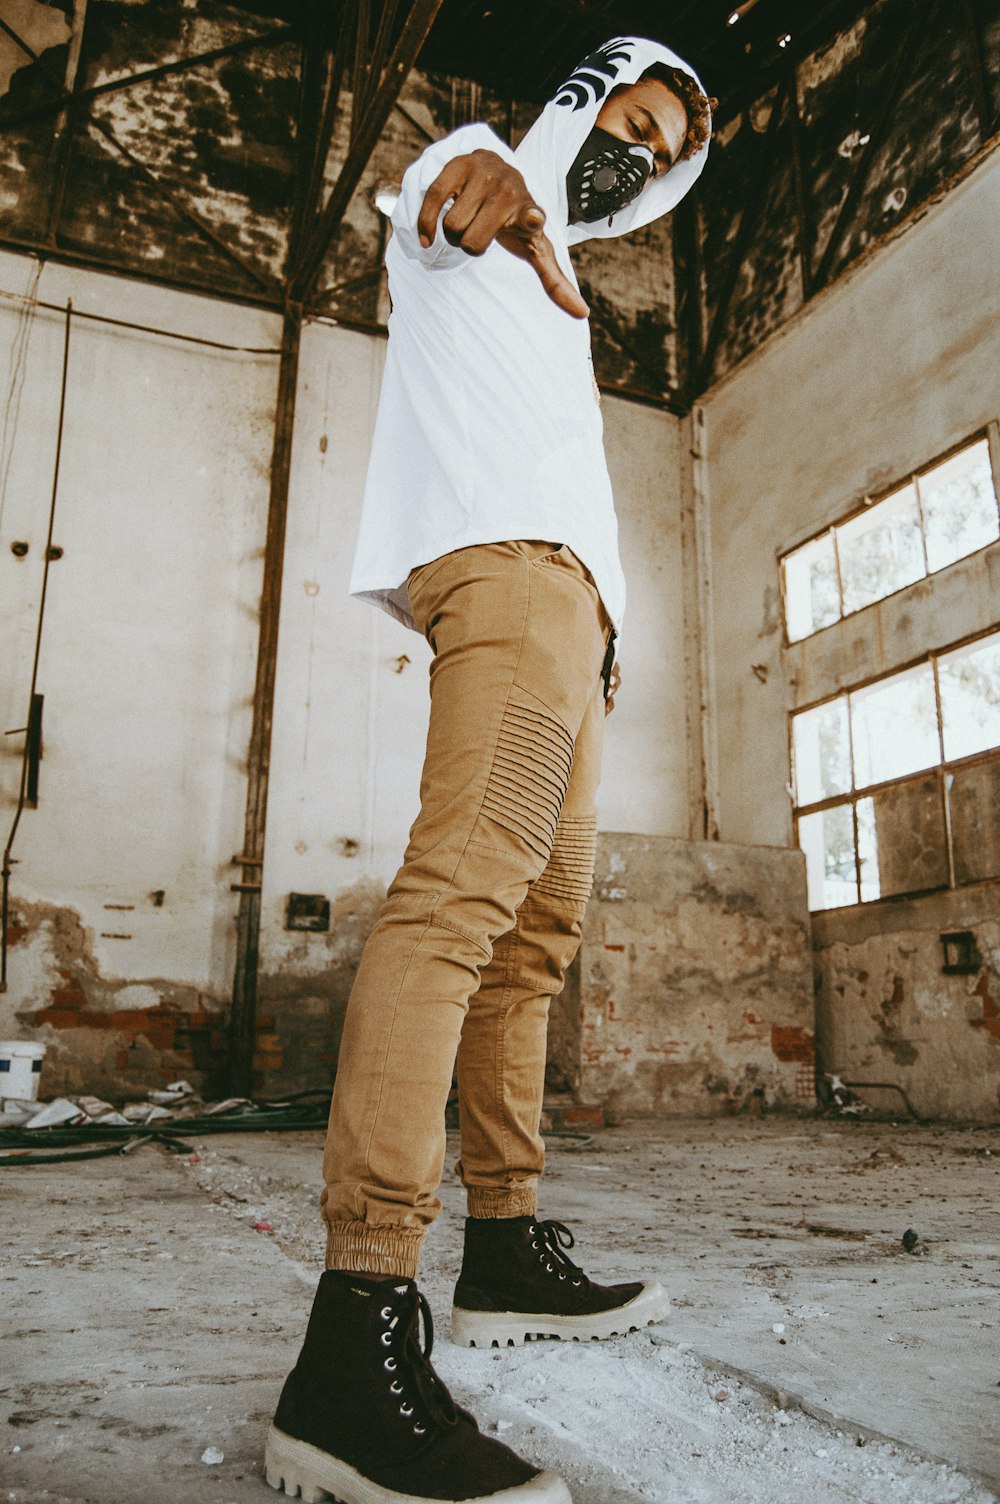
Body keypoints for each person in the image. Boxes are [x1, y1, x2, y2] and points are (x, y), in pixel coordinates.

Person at [266, 35, 713, 1504]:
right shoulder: (495, 173)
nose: (634, 153)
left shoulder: (565, 287)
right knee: (459, 905)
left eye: (662, 151)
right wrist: (490, 191)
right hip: (508, 587)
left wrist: (609, 630)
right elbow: (442, 196)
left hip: (573, 622)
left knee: (533, 943)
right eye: (629, 119)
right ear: (586, 96)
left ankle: (507, 1246)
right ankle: (355, 1338)